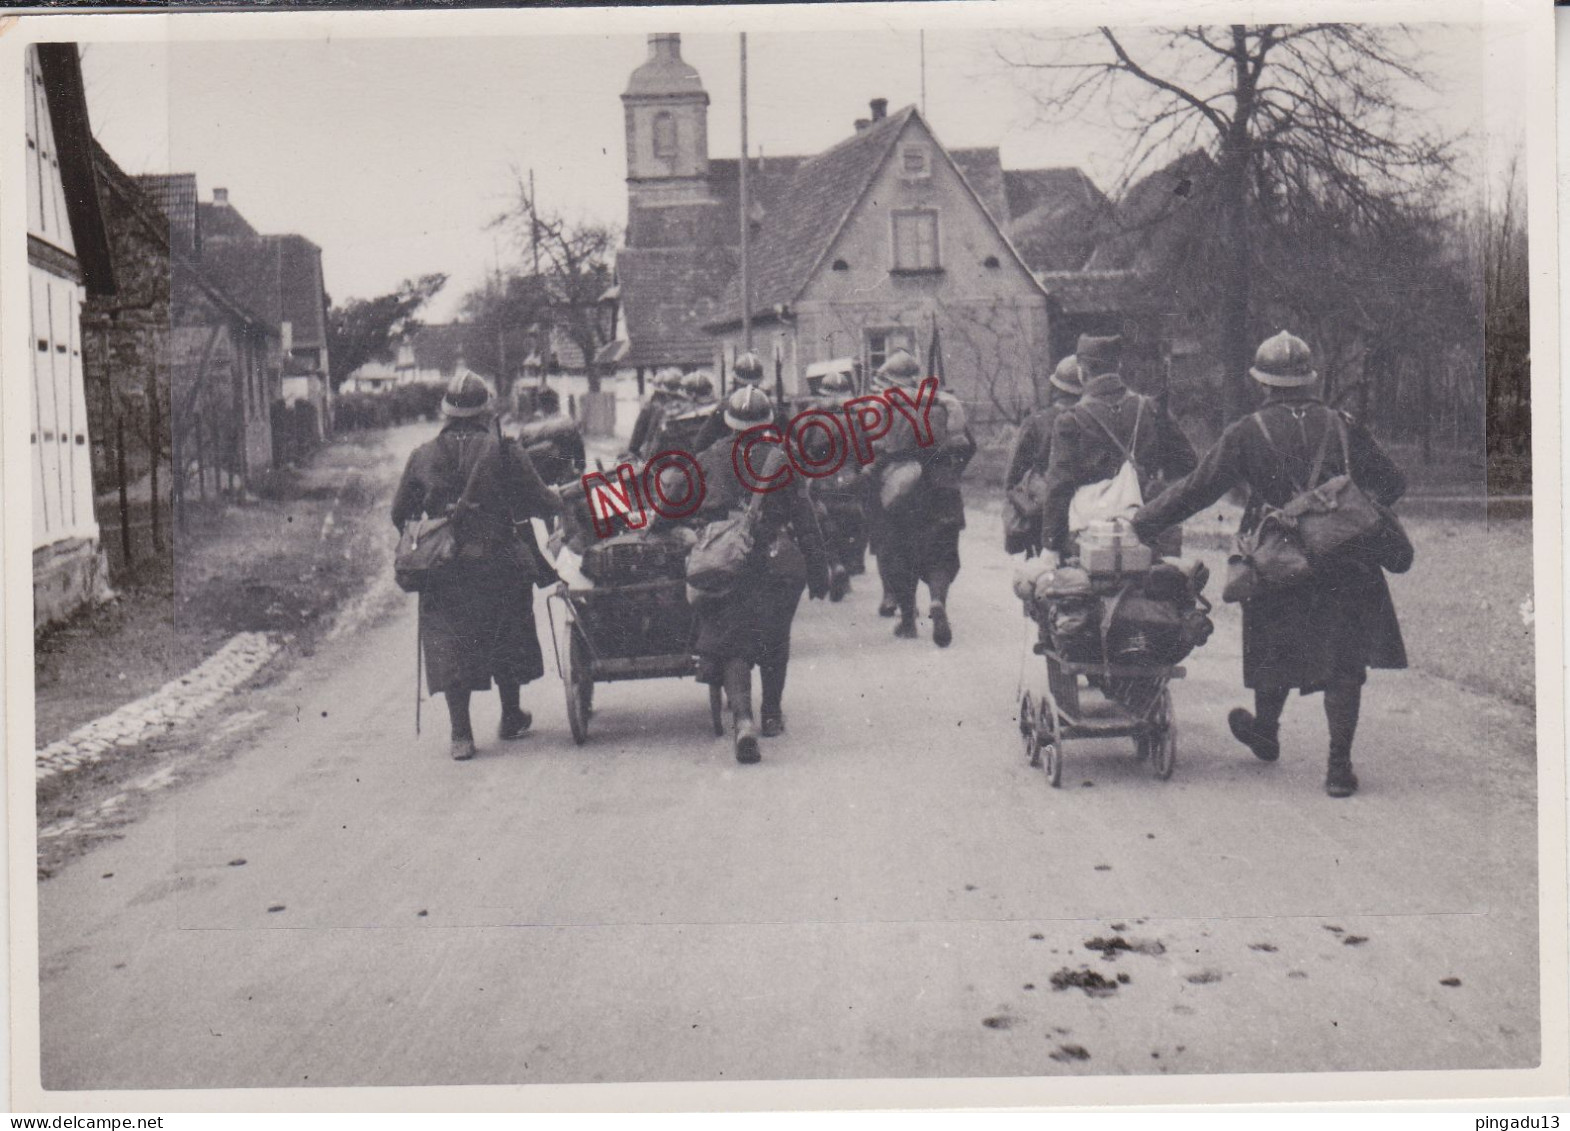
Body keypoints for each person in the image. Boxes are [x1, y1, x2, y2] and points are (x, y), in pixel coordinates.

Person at [1132, 331, 1408, 798]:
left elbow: (1198, 488)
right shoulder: (1343, 424)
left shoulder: (1245, 432)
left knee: (1273, 639)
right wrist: (1339, 505)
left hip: (1277, 555)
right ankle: (1338, 769)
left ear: (1263, 383)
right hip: (1346, 557)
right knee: (1344, 660)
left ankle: (1265, 729)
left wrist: (1145, 520)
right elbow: (1392, 483)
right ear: (1308, 380)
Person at [391, 371, 561, 761]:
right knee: (507, 633)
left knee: (451, 642)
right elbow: (538, 500)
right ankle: (511, 715)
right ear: (486, 409)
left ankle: (461, 735)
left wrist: (435, 533)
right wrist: (560, 503)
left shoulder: (423, 455)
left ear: (447, 412)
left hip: (445, 567)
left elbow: (400, 513)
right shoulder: (505, 450)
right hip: (498, 559)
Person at [660, 384, 829, 763]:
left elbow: (672, 509)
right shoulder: (782, 460)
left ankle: (743, 720)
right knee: (775, 638)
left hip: (725, 562)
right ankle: (771, 713)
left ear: (729, 422)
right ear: (767, 423)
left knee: (733, 641)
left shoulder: (705, 459)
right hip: (773, 560)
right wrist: (819, 570)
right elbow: (805, 519)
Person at [1039, 334, 1198, 561]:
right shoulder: (1151, 410)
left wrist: (1051, 545)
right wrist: (1155, 490)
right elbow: (1189, 464)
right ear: (1119, 366)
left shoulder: (1070, 420)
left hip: (1089, 535)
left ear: (1082, 372)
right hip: (1147, 529)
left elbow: (1059, 486)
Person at [867, 349, 976, 647]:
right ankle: (937, 601)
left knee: (900, 554)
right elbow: (968, 446)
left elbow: (871, 450)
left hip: (900, 489)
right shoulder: (943, 402)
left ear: (889, 380)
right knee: (942, 553)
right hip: (942, 487)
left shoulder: (882, 407)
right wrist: (951, 471)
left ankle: (906, 620)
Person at [1004, 353, 1083, 556]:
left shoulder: (1037, 421)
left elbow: (1014, 477)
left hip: (1044, 519)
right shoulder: (1093, 420)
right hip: (1086, 516)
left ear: (1055, 388)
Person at [804, 368, 866, 600]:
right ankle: (848, 566)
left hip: (821, 475)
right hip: (851, 476)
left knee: (824, 524)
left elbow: (800, 447)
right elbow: (866, 448)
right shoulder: (859, 415)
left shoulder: (811, 416)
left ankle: (836, 564)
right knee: (852, 524)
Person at [692, 351, 783, 452]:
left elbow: (700, 445)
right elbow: (791, 442)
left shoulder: (723, 408)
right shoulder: (771, 408)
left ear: (735, 380)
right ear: (760, 381)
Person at [517, 386, 585, 487]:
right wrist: (579, 469)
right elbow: (579, 451)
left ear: (540, 405)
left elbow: (520, 452)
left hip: (537, 480)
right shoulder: (566, 423)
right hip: (563, 478)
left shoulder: (528, 425)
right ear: (556, 404)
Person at [629, 368, 687, 458]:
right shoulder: (686, 403)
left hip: (658, 452)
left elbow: (638, 433)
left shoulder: (651, 406)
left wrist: (633, 450)